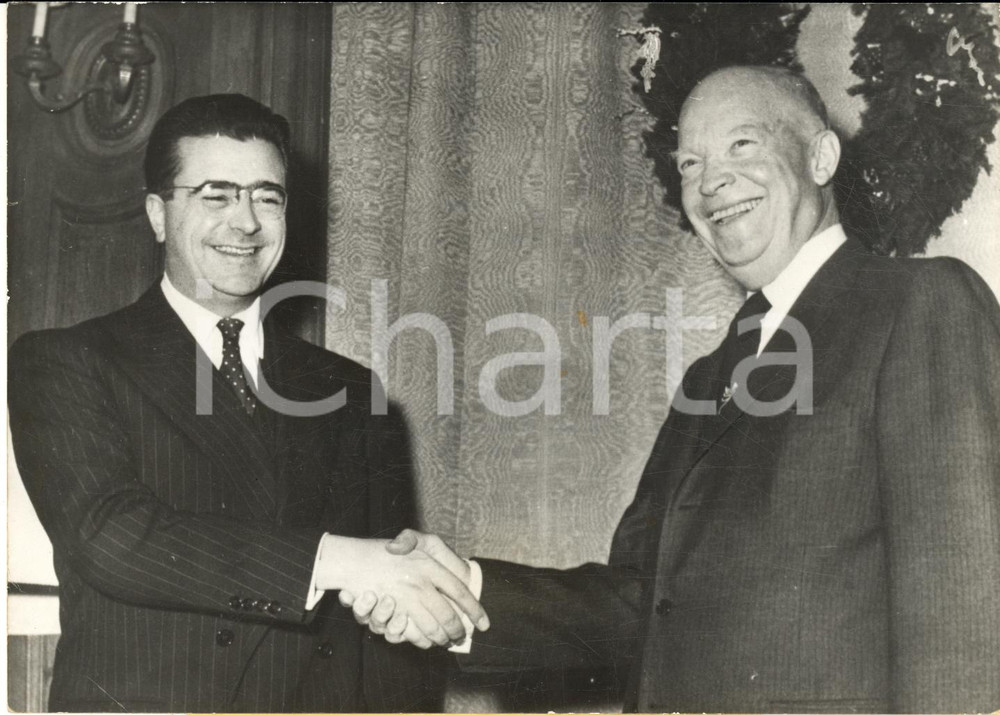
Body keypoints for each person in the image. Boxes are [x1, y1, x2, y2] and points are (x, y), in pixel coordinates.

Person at [350, 66, 1000, 713]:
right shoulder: (711, 376)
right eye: (689, 163)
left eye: (742, 145)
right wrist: (459, 590)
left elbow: (966, 610)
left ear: (821, 156)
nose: (711, 181)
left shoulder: (918, 303)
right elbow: (644, 600)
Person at [7, 94, 487, 713]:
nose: (246, 223)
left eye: (267, 196)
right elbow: (113, 538)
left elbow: (386, 636)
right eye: (215, 195)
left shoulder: (350, 389)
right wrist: (342, 561)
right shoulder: (68, 359)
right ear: (158, 214)